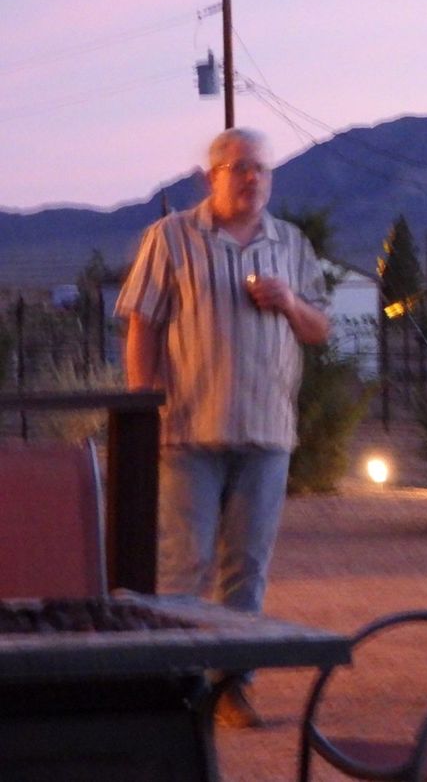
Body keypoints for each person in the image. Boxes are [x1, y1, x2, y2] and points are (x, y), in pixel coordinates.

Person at [116, 128, 330, 728]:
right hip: (188, 428)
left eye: (260, 168)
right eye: (236, 167)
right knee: (185, 564)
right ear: (210, 176)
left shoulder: (290, 244)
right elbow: (144, 325)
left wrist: (289, 302)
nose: (250, 177)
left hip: (266, 431)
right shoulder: (172, 237)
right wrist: (143, 403)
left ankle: (231, 686)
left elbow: (320, 330)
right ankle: (175, 683)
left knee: (247, 566)